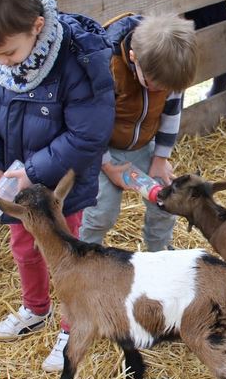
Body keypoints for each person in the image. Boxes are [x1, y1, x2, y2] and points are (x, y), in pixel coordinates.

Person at [0, 0, 115, 373]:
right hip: (18, 183)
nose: (3, 62)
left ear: (36, 26)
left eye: (9, 53)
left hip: (62, 186)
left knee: (66, 257)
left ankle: (73, 324)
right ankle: (35, 307)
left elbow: (88, 134)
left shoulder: (78, 59)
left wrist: (30, 173)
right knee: (25, 247)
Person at [78, 13, 197, 253]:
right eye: (154, 85)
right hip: (100, 151)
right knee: (103, 211)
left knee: (166, 199)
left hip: (142, 147)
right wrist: (108, 166)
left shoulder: (169, 73)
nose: (160, 91)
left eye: (167, 88)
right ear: (134, 59)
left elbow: (171, 115)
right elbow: (90, 123)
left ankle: (160, 252)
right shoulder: (108, 69)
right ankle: (84, 255)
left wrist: (161, 159)